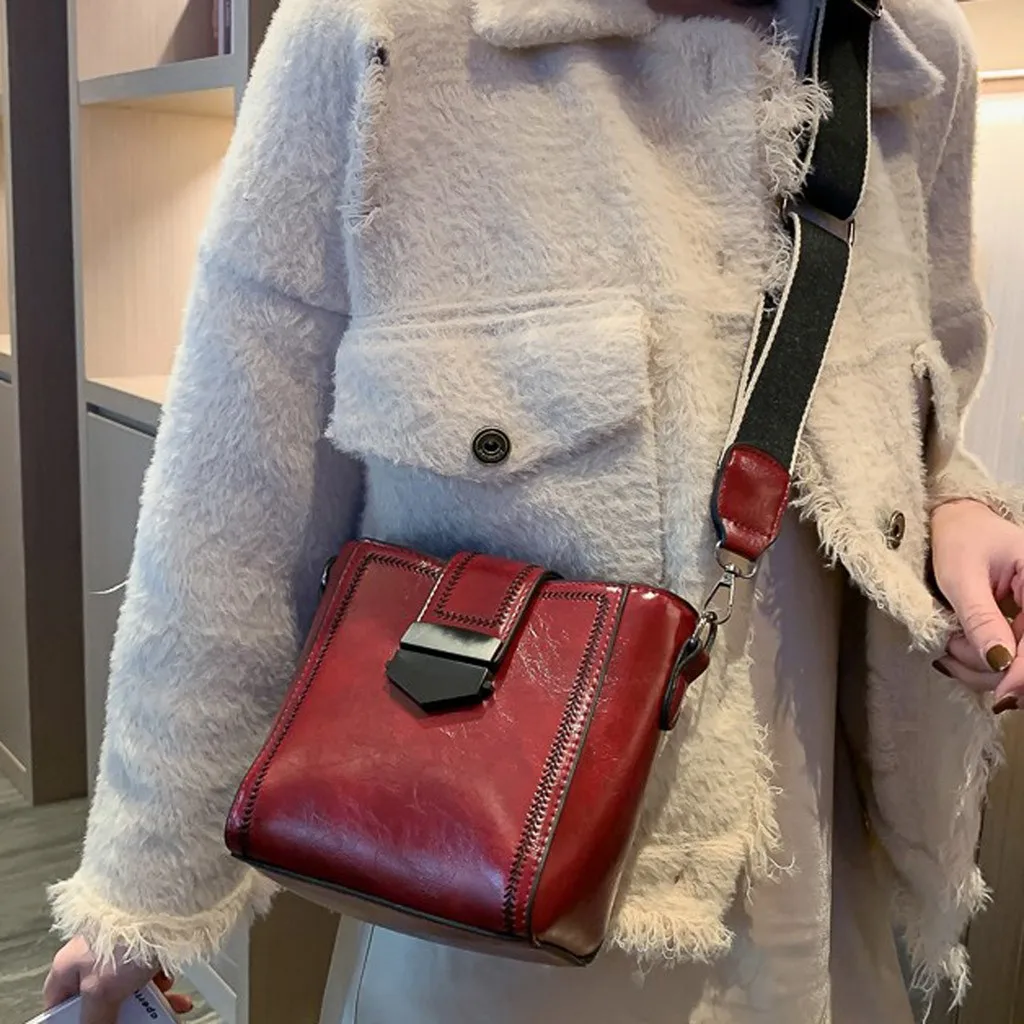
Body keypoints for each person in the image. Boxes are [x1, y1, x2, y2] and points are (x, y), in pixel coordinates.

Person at [43, 0, 1024, 1021]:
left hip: (823, 871)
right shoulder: (383, 36)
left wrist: (957, 505)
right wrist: (140, 898)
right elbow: (234, 509)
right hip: (494, 903)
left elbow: (927, 393)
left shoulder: (911, 55)